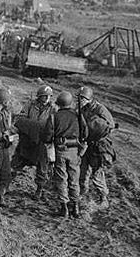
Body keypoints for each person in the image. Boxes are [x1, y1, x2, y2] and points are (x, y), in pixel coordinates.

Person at [12, 85, 56, 200]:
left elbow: (55, 127)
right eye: (44, 96)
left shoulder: (53, 109)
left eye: (48, 96)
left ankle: (39, 190)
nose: (46, 99)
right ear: (39, 96)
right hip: (27, 140)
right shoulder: (30, 105)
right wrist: (33, 127)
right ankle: (5, 185)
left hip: (42, 143)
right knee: (16, 162)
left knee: (43, 168)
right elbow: (20, 119)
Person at [43, 91, 81, 219]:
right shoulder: (77, 116)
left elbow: (47, 136)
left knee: (61, 179)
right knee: (74, 179)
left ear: (58, 103)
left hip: (60, 150)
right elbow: (85, 133)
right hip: (74, 150)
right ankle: (75, 207)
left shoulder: (54, 117)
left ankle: (64, 207)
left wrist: (49, 144)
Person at [77, 86, 116, 210]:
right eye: (79, 98)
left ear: (89, 98)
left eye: (82, 98)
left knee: (97, 173)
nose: (80, 100)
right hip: (86, 145)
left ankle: (103, 198)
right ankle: (83, 194)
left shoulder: (100, 109)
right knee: (83, 171)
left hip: (98, 146)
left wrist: (95, 126)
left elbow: (111, 126)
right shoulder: (80, 109)